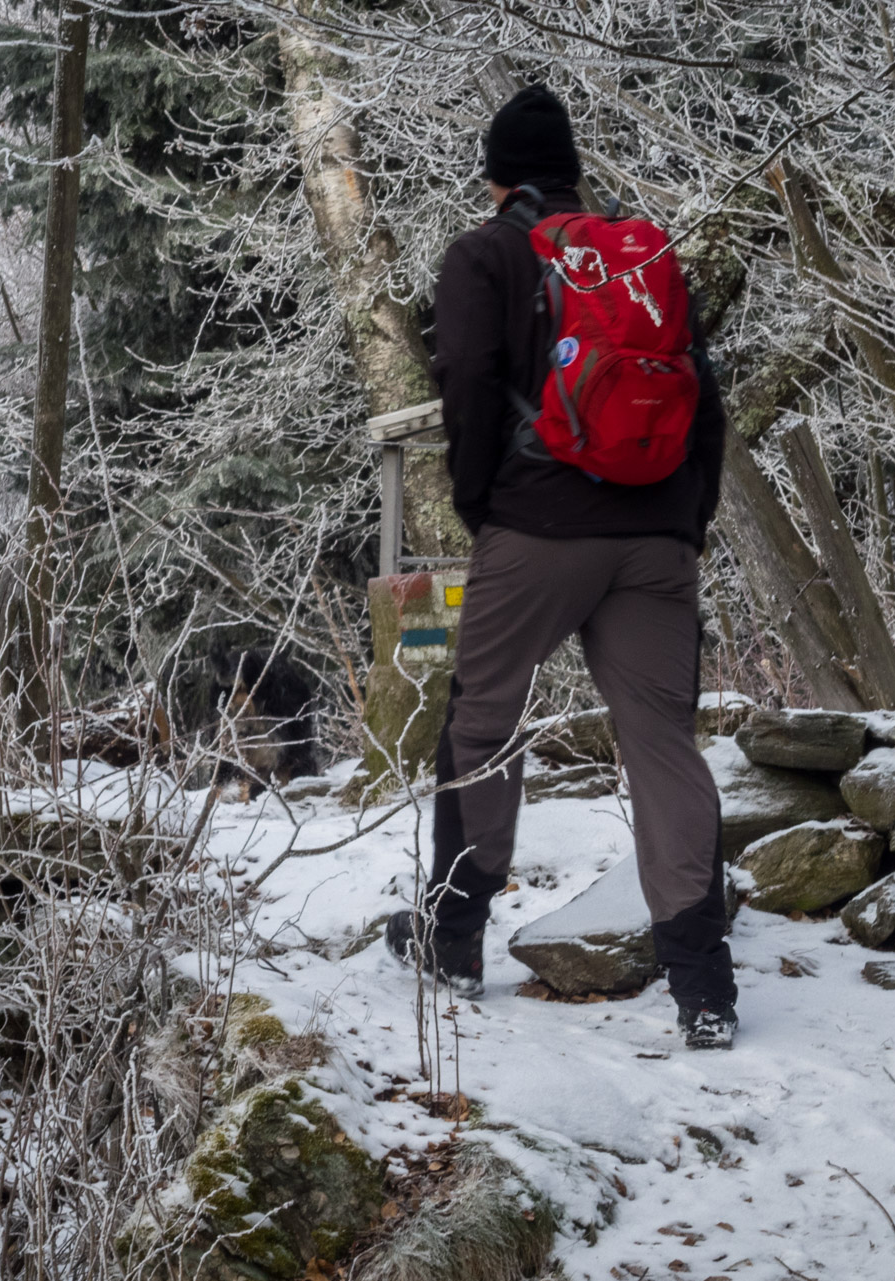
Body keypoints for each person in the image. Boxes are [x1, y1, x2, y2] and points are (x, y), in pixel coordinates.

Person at [384, 84, 738, 1050]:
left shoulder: (486, 253)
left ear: (496, 176)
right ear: (574, 171)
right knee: (662, 740)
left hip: (538, 530)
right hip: (658, 532)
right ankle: (704, 985)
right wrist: (684, 520)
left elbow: (466, 387)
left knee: (484, 714)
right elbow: (704, 399)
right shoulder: (641, 255)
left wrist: (483, 507)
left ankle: (453, 938)